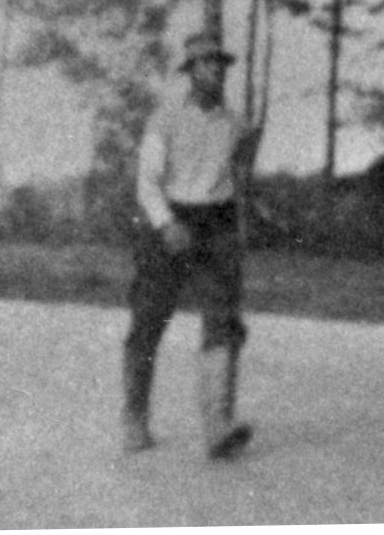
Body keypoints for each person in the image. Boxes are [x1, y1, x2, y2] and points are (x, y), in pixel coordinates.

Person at [122, 31, 261, 458]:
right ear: (190, 71)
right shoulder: (165, 118)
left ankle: (217, 425)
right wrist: (166, 224)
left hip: (216, 223)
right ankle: (135, 417)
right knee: (149, 319)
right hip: (170, 219)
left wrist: (239, 223)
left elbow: (239, 172)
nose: (215, 70)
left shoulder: (235, 124)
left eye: (220, 64)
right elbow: (147, 182)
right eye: (206, 63)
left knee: (222, 319)